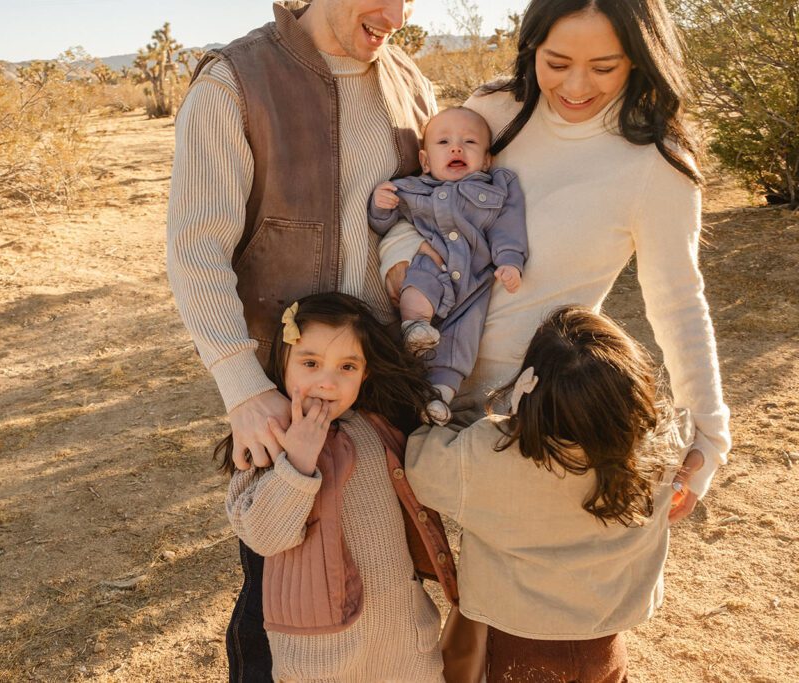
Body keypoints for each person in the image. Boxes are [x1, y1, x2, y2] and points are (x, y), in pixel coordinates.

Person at [379, 0, 731, 676]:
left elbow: (679, 302)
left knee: (530, 630)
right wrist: (400, 264)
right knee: (407, 606)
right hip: (418, 387)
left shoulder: (655, 164)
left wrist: (710, 437)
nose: (574, 88)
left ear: (640, 56)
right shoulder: (495, 114)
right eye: (556, 63)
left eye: (604, 66)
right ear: (529, 47)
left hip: (526, 424)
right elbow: (424, 199)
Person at [166, 1, 437, 678]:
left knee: (393, 591)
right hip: (286, 401)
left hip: (391, 404)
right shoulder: (234, 84)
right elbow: (197, 251)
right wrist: (243, 387)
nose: (398, 13)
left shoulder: (410, 86)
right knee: (279, 600)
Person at [405, 306, 696, 682]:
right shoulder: (656, 450)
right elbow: (687, 426)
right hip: (605, 645)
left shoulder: (489, 453)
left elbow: (419, 465)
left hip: (515, 643)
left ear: (530, 388)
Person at [223, 293, 455, 683]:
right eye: (310, 363)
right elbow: (262, 537)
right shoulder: (268, 439)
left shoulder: (377, 427)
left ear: (365, 373)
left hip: (403, 642)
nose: (327, 382)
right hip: (323, 657)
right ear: (282, 363)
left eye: (347, 366)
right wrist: (296, 463)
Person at [368, 106, 528, 425]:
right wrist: (380, 205)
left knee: (460, 341)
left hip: (471, 284)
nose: (456, 147)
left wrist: (511, 261)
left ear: (486, 160)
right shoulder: (411, 189)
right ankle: (414, 325)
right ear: (426, 162)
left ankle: (438, 398)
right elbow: (384, 224)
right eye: (444, 143)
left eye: (469, 142)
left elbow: (508, 227)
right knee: (418, 283)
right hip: (432, 268)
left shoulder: (498, 187)